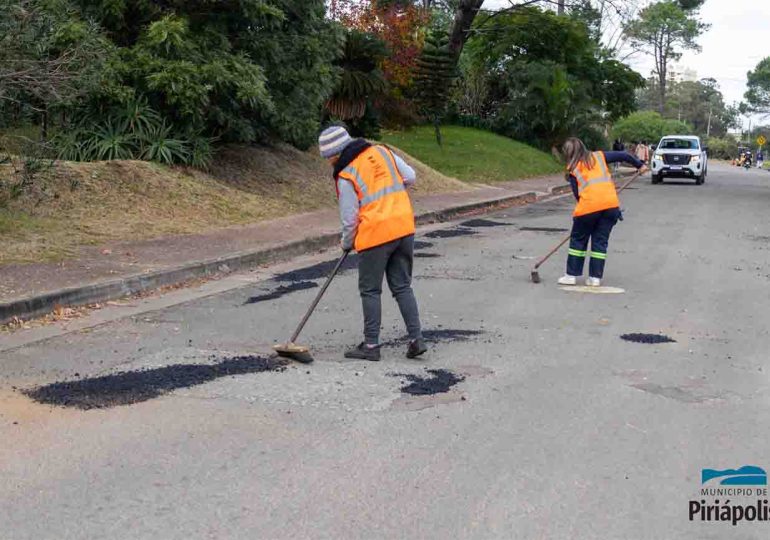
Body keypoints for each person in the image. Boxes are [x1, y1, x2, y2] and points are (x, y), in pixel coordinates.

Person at [318, 125, 426, 361]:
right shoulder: (382, 151)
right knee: (402, 286)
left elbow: (349, 218)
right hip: (403, 226)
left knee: (370, 290)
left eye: (328, 158)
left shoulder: (346, 173)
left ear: (335, 154)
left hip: (375, 234)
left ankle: (370, 346)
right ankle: (416, 339)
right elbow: (410, 177)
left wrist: (347, 243)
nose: (329, 163)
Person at [558, 138, 648, 287]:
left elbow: (577, 195)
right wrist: (640, 165)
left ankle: (571, 276)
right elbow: (624, 155)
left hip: (588, 207)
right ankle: (595, 278)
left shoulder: (573, 168)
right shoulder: (599, 156)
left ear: (568, 153)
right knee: (600, 242)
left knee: (578, 240)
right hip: (610, 207)